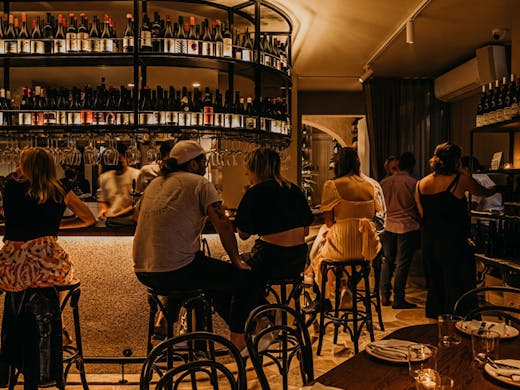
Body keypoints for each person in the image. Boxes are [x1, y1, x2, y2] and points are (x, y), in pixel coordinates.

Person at [133, 140, 258, 351]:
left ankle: (168, 321)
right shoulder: (199, 183)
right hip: (177, 270)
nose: (206, 165)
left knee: (207, 276)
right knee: (245, 279)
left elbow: (137, 215)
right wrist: (237, 261)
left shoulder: (154, 183)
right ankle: (240, 340)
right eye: (203, 161)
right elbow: (224, 225)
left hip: (143, 270)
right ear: (192, 164)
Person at [0, 147, 96, 341]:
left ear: (24, 166)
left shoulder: (9, 187)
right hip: (48, 267)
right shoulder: (60, 189)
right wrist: (55, 226)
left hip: (12, 270)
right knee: (61, 274)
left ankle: (21, 333)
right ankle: (54, 322)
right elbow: (88, 219)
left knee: (24, 283)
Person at [415, 142, 498, 319]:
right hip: (453, 242)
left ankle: (438, 324)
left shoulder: (421, 184)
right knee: (459, 285)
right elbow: (483, 192)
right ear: (455, 160)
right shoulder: (459, 180)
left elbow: (422, 215)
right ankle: (461, 325)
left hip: (430, 241)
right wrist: (498, 187)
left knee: (436, 284)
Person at [234, 147, 314, 288]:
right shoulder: (294, 190)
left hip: (269, 260)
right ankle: (271, 307)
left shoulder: (254, 192)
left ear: (254, 169)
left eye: (248, 170)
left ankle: (258, 307)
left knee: (234, 264)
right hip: (297, 261)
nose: (246, 173)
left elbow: (243, 235)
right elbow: (306, 231)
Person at [310, 147, 382, 304]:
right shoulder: (371, 186)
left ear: (338, 164)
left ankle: (324, 298)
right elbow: (373, 215)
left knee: (318, 255)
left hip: (342, 243)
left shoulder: (332, 185)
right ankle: (346, 285)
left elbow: (329, 222)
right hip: (365, 247)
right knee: (350, 260)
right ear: (357, 163)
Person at [380, 152, 421, 309]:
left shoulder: (384, 182)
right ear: (411, 166)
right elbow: (418, 206)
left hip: (388, 225)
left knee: (387, 260)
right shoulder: (413, 183)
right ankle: (398, 298)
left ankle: (384, 295)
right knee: (402, 263)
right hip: (406, 226)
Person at [97, 144, 140, 220]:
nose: (117, 163)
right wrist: (103, 210)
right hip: (111, 221)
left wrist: (116, 215)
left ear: (126, 158)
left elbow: (138, 203)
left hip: (131, 220)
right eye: (115, 161)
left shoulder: (137, 175)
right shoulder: (105, 177)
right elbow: (102, 200)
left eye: (120, 159)